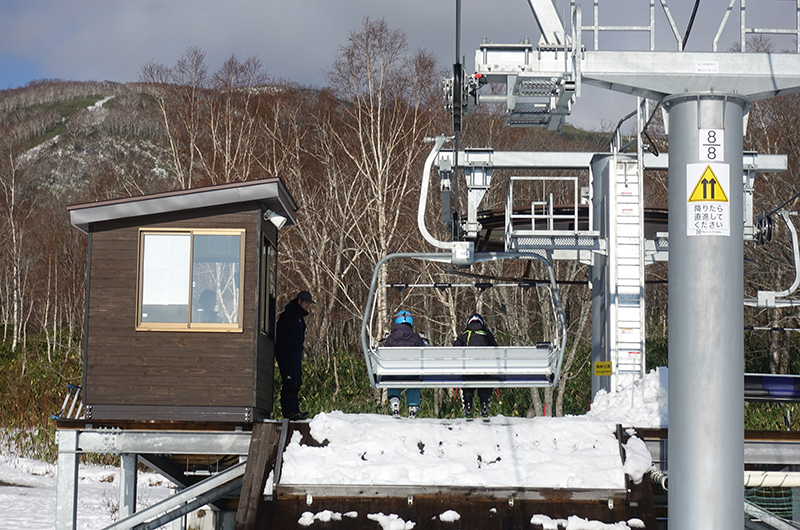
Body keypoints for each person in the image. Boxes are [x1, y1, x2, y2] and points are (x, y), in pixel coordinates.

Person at [275, 290, 314, 421]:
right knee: (290, 382)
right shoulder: (289, 314)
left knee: (297, 381)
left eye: (309, 303)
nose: (308, 306)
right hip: (287, 354)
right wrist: (284, 351)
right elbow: (280, 333)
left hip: (295, 355)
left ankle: (295, 411)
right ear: (299, 301)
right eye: (306, 303)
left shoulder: (299, 318)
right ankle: (288, 412)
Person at [454, 313, 498, 419]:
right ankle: (484, 405)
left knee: (467, 379)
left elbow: (455, 349)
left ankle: (468, 406)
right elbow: (497, 350)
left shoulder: (464, 334)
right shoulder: (487, 334)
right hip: (484, 372)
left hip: (469, 371)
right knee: (486, 378)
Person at [382, 310, 425, 419]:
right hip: (412, 374)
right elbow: (424, 351)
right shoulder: (416, 338)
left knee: (390, 374)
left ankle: (395, 401)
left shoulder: (390, 339)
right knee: (415, 376)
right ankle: (413, 405)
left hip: (393, 374)